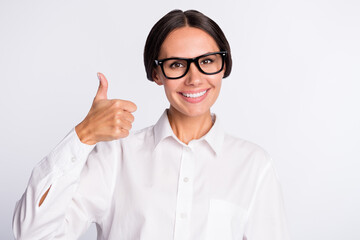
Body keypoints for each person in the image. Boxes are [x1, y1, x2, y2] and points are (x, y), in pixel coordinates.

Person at [13, 9, 289, 240]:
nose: (194, 78)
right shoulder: (116, 157)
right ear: (157, 73)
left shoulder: (254, 165)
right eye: (177, 65)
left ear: (224, 67)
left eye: (207, 61)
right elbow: (32, 234)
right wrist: (83, 136)